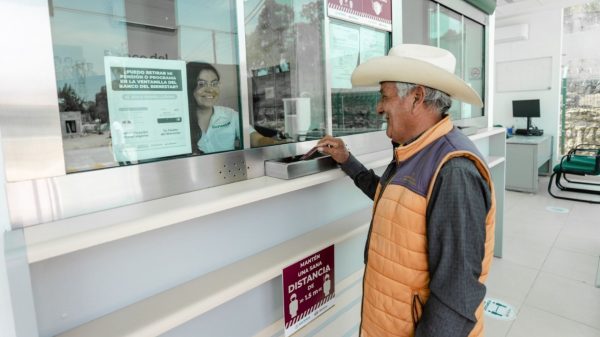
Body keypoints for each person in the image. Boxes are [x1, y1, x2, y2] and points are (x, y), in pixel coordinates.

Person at [316, 44, 495, 337]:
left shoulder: (455, 171)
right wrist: (347, 161)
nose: (378, 107)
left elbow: (457, 295)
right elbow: (393, 200)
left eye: (385, 96)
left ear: (416, 98)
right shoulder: (415, 150)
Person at [186, 62, 284, 154]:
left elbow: (256, 139)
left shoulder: (230, 115)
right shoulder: (180, 121)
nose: (210, 89)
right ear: (189, 87)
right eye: (201, 84)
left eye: (214, 84)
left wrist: (279, 147)